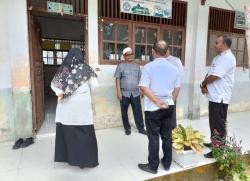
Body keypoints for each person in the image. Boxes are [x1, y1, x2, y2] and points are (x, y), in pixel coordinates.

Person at [51, 48, 99, 168]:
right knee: (85, 134)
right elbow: (95, 86)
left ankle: (71, 159)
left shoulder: (64, 69)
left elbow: (55, 87)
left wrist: (62, 92)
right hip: (82, 110)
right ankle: (86, 161)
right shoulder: (86, 68)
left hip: (67, 109)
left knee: (70, 134)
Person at [138, 40, 181, 174]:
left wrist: (157, 101)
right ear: (167, 51)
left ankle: (153, 166)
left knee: (153, 136)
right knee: (167, 136)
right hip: (169, 107)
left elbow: (144, 87)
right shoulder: (174, 68)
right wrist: (170, 101)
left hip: (152, 108)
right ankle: (167, 163)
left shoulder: (148, 67)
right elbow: (177, 88)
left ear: (153, 51)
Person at [200, 35, 236, 158]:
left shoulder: (228, 58)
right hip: (213, 96)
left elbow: (215, 76)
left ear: (225, 44)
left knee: (219, 124)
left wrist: (204, 83)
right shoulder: (218, 58)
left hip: (220, 98)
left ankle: (218, 151)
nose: (215, 45)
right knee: (213, 123)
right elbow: (210, 73)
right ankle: (214, 143)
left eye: (217, 43)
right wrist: (204, 86)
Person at [114, 47, 146, 135]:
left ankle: (141, 128)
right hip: (124, 93)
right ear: (124, 56)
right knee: (124, 111)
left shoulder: (137, 66)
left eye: (131, 54)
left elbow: (140, 78)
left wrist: (142, 90)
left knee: (138, 112)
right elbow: (117, 79)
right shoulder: (120, 66)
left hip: (136, 93)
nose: (130, 56)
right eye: (128, 54)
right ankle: (127, 128)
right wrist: (118, 91)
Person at [165, 48, 183, 129]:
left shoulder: (175, 60)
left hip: (172, 91)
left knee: (171, 111)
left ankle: (172, 129)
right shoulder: (159, 60)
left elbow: (180, 76)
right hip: (160, 91)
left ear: (169, 49)